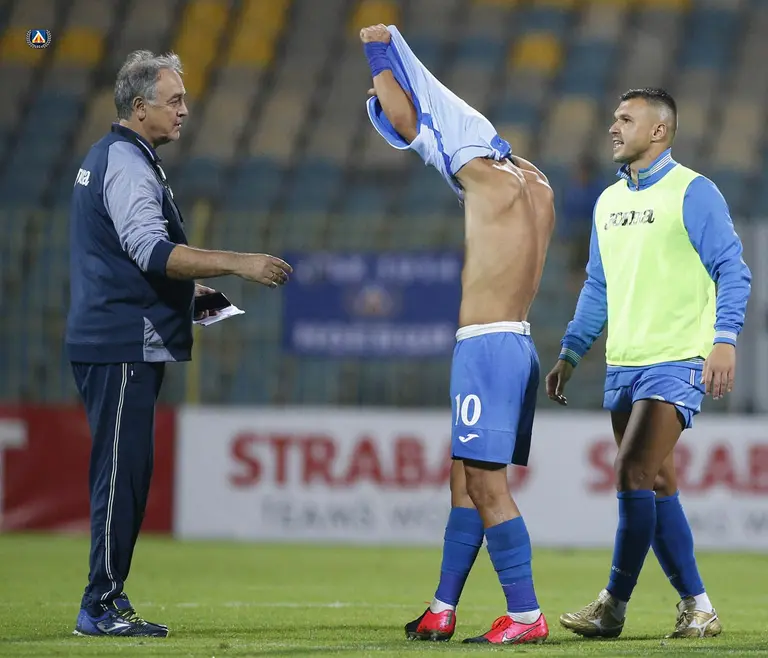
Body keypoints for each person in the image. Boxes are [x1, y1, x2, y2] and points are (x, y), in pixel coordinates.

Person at [66, 50, 292, 637]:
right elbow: (150, 251)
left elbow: (122, 258)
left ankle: (106, 599)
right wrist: (240, 262)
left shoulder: (115, 156)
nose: (185, 110)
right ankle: (100, 604)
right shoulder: (126, 162)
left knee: (128, 472)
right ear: (140, 108)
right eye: (174, 100)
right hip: (120, 341)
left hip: (117, 336)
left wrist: (188, 297)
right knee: (121, 474)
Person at [361, 24, 554, 645]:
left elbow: (407, 117)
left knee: (487, 485)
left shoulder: (483, 177)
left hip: (485, 346)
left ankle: (524, 614)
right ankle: (442, 608)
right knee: (465, 479)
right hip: (517, 342)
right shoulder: (538, 185)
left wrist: (377, 52)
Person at [545, 88, 751, 640]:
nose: (613, 127)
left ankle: (612, 605)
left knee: (632, 470)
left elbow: (733, 269)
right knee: (655, 484)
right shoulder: (608, 202)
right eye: (615, 118)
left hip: (678, 359)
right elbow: (598, 286)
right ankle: (699, 607)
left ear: (659, 131)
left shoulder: (694, 192)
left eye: (626, 119)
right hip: (624, 362)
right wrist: (571, 351)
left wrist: (724, 339)